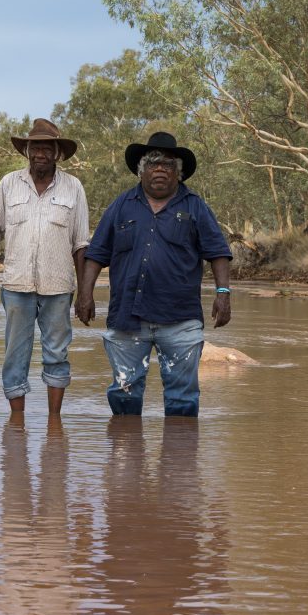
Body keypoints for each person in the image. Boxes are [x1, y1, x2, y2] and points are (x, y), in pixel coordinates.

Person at [76, 132, 232, 416]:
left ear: (178, 172)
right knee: (123, 394)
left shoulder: (195, 206)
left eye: (168, 164)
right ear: (141, 170)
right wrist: (84, 294)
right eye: (152, 163)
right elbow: (97, 253)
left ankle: (179, 447)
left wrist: (223, 293)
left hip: (180, 318)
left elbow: (218, 252)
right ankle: (126, 444)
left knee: (182, 399)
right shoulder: (121, 205)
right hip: (127, 317)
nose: (160, 169)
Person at [0, 118, 90, 414]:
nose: (40, 154)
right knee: (14, 356)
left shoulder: (73, 187)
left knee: (57, 354)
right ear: (27, 151)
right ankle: (16, 424)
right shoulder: (9, 184)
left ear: (57, 153)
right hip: (16, 287)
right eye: (35, 148)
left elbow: (81, 244)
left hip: (58, 288)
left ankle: (54, 424)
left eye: (47, 148)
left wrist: (85, 294)